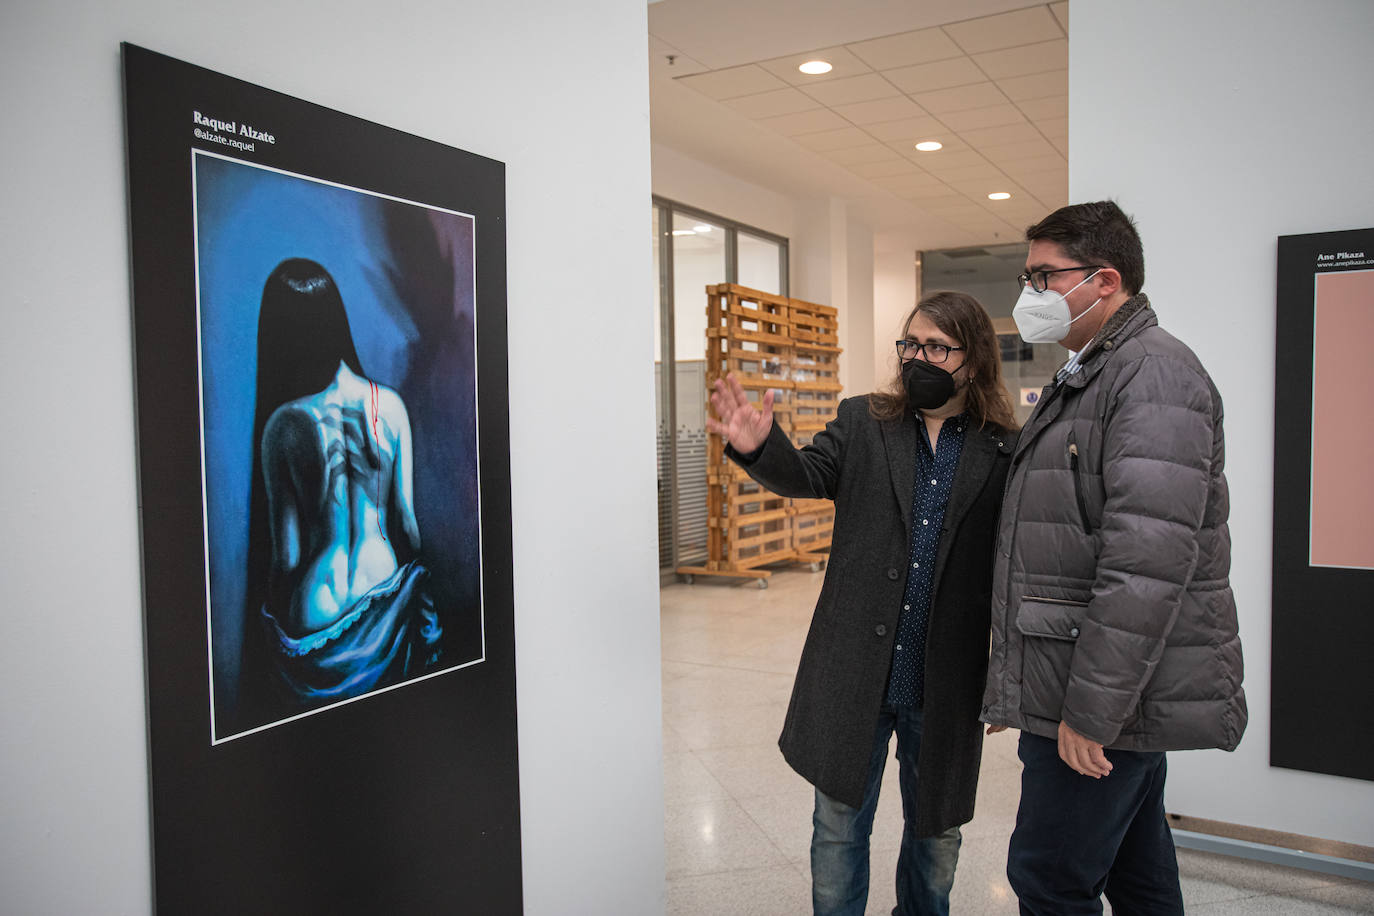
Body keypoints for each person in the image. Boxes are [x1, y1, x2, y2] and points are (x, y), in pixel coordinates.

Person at [709, 291, 1017, 916]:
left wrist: (1010, 674)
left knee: (936, 842)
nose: (918, 358)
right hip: (854, 671)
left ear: (974, 360)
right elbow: (808, 474)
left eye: (937, 348)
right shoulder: (864, 421)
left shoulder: (1005, 447)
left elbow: (1015, 568)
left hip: (945, 678)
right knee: (838, 831)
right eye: (910, 344)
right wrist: (758, 447)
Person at [981, 201, 1247, 914]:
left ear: (1104, 280)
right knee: (1138, 874)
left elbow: (1146, 563)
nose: (1029, 293)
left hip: (1096, 694)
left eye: (1043, 276)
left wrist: (1091, 711)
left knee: (1049, 879)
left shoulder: (1151, 376)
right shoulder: (1096, 371)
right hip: (1095, 681)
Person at [240, 258, 441, 727]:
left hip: (318, 603)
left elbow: (287, 556)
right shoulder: (390, 406)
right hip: (384, 583)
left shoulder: (283, 425)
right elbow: (409, 524)